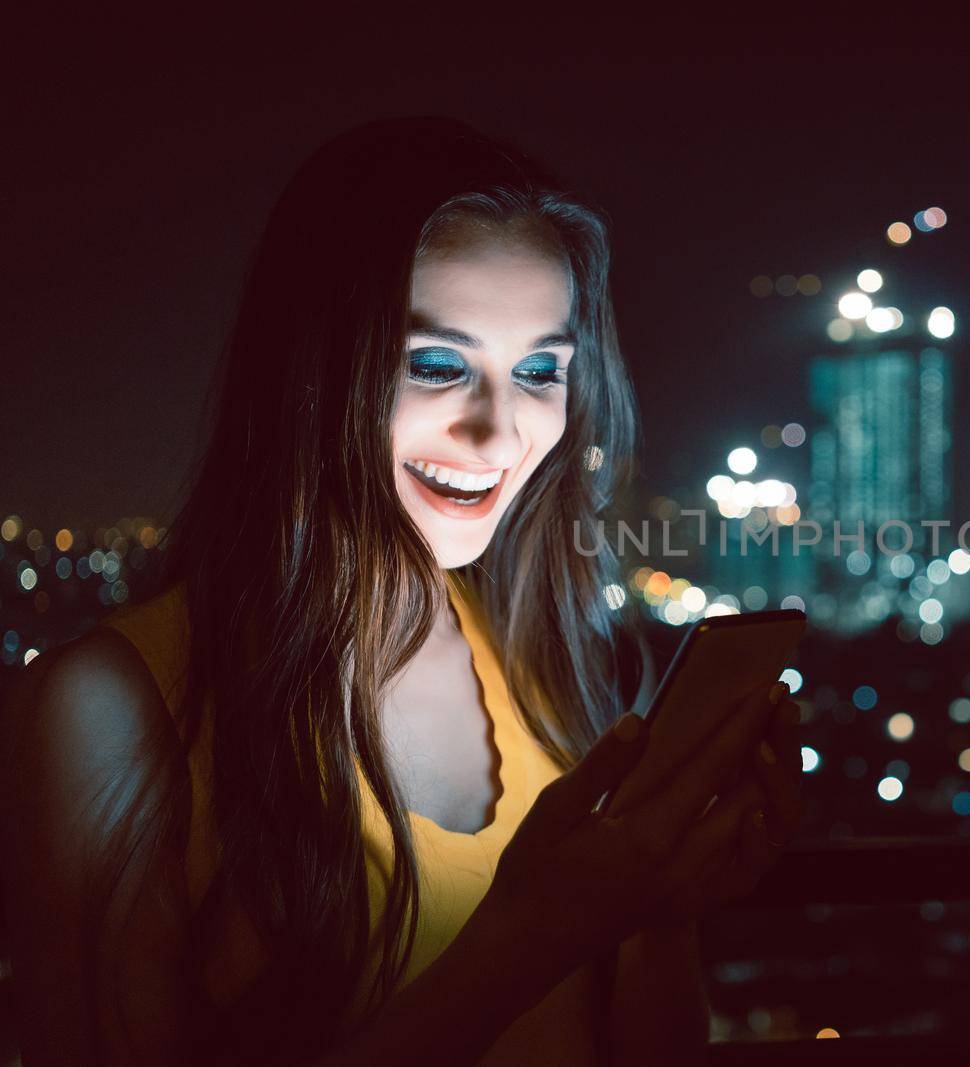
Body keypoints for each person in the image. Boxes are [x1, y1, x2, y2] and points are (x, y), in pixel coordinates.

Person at [0, 116, 805, 1065]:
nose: (499, 433)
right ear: (312, 366)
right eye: (435, 364)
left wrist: (658, 907)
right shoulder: (110, 708)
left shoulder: (549, 667)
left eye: (540, 370)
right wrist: (525, 938)